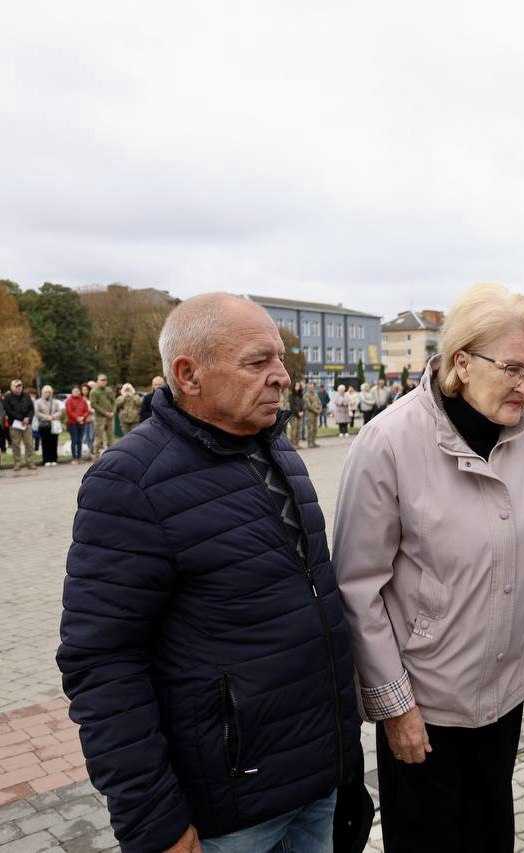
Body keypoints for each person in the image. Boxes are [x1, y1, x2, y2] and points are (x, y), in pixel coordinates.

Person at [58, 293, 363, 853]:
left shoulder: (278, 453)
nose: (282, 377)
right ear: (188, 374)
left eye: (280, 360)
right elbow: (102, 664)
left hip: (317, 781)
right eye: (257, 362)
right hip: (232, 811)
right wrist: (157, 825)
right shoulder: (130, 480)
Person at [334, 283, 524, 852]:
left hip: (504, 690)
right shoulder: (388, 441)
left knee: (492, 833)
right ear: (461, 362)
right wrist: (396, 707)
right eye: (513, 368)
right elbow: (358, 589)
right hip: (426, 703)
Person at [4, 379, 37, 474]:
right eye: (16, 386)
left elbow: (31, 409)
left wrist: (28, 418)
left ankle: (30, 462)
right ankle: (17, 463)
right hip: (14, 424)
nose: (19, 388)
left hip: (27, 424)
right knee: (15, 444)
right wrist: (20, 419)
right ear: (12, 387)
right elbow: (8, 411)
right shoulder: (8, 397)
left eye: (20, 386)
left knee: (29, 444)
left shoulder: (26, 396)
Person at [34, 385, 65, 467]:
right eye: (46, 392)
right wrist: (46, 417)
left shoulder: (55, 402)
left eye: (49, 392)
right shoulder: (38, 402)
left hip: (54, 424)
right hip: (43, 425)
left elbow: (59, 412)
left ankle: (54, 459)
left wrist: (54, 416)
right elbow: (37, 413)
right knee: (45, 443)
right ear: (42, 393)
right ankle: (46, 460)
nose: (47, 394)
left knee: (54, 442)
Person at [89, 374, 116, 456]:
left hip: (110, 417)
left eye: (105, 380)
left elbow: (114, 402)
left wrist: (113, 412)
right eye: (102, 380)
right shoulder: (94, 391)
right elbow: (93, 404)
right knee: (99, 437)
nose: (103, 382)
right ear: (97, 381)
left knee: (110, 437)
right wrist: (105, 413)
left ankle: (111, 455)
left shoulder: (109, 390)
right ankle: (96, 455)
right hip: (99, 418)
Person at [65, 386, 91, 464]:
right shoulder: (69, 400)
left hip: (82, 423)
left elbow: (87, 410)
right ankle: (74, 458)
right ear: (72, 392)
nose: (76, 392)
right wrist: (77, 418)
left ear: (79, 392)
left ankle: (79, 457)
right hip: (72, 423)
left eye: (77, 391)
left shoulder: (83, 400)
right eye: (74, 391)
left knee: (80, 441)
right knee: (74, 440)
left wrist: (83, 417)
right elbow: (69, 411)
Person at [303, 382, 323, 448]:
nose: (312, 388)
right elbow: (308, 405)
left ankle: (314, 442)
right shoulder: (306, 395)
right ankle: (310, 443)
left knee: (315, 428)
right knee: (310, 429)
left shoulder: (315, 394)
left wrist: (320, 409)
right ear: (308, 388)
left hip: (315, 414)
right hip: (310, 414)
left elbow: (319, 402)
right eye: (310, 387)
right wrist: (316, 411)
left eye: (312, 387)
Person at [288, 381, 305, 447]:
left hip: (300, 415)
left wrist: (302, 411)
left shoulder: (300, 395)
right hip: (294, 415)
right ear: (294, 387)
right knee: (294, 430)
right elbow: (292, 406)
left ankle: (297, 443)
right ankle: (293, 444)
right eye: (296, 386)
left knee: (298, 429)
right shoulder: (291, 396)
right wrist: (298, 413)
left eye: (299, 386)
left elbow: (302, 404)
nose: (297, 387)